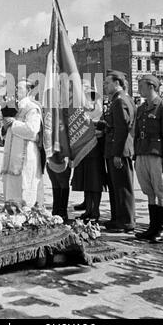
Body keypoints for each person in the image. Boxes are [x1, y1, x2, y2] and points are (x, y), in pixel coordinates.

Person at [134, 75, 163, 243]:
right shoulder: (142, 108)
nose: (139, 89)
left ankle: (162, 229)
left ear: (151, 86)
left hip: (157, 155)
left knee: (161, 190)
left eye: (141, 85)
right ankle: (152, 227)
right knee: (149, 191)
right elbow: (137, 133)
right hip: (143, 153)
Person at [1, 80, 43, 208]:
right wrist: (4, 128)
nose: (15, 91)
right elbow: (6, 133)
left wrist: (13, 123)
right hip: (11, 155)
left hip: (26, 157)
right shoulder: (12, 107)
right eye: (15, 88)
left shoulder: (32, 108)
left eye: (19, 88)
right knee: (10, 191)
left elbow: (32, 130)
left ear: (28, 90)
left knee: (25, 189)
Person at [103, 70, 136, 233]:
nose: (105, 85)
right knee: (116, 186)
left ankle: (126, 221)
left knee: (123, 186)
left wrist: (117, 153)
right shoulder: (118, 99)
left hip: (120, 151)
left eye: (108, 83)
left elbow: (122, 129)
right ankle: (117, 218)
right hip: (114, 148)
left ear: (117, 83)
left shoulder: (120, 101)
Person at [71, 80, 108, 223]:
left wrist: (92, 130)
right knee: (87, 181)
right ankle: (89, 209)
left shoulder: (98, 110)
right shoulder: (81, 110)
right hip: (83, 150)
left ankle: (95, 211)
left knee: (95, 182)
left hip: (94, 149)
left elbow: (102, 129)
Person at [46, 155, 71, 223]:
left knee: (62, 184)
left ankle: (61, 212)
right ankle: (57, 212)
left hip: (60, 158)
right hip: (51, 159)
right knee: (56, 184)